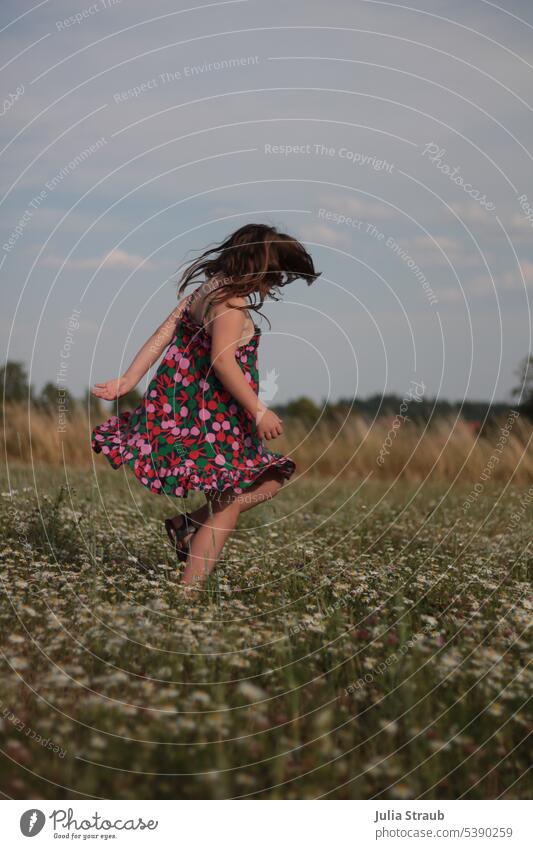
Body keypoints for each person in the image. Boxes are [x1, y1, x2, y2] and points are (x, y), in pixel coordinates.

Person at [91, 223, 321, 587]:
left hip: (194, 415)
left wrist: (129, 379)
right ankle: (188, 595)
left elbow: (163, 334)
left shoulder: (206, 291)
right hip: (214, 421)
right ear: (257, 268)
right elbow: (223, 362)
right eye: (274, 275)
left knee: (271, 477)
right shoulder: (230, 303)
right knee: (227, 509)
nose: (274, 284)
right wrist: (258, 409)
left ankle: (190, 524)